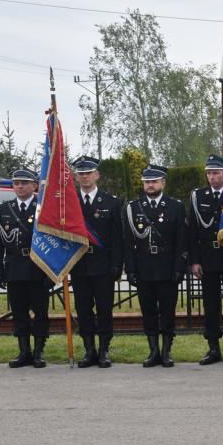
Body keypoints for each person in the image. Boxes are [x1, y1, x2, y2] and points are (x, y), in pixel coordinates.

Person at [123, 164, 188, 367]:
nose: (150, 185)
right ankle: (153, 351)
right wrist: (131, 269)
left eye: (154, 181)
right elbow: (128, 242)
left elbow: (182, 240)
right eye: (147, 182)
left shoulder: (176, 207)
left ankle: (167, 352)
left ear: (163, 183)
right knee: (148, 312)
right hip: (143, 268)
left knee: (167, 312)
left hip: (167, 267)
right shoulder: (133, 207)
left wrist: (180, 268)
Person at [0, 168, 51, 368]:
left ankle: (38, 352)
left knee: (40, 311)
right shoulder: (4, 209)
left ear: (34, 186)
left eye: (24, 183)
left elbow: (51, 241)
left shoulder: (42, 208)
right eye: (16, 183)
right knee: (19, 312)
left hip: (38, 266)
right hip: (15, 266)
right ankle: (24, 351)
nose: (20, 186)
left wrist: (51, 270)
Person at [189, 154, 223, 366]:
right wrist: (195, 260)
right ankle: (213, 347)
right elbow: (193, 231)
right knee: (210, 305)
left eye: (216, 173)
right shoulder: (197, 196)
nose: (212, 177)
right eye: (209, 173)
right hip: (208, 258)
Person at [71, 155, 123, 368]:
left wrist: (117, 265)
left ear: (97, 175)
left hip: (103, 264)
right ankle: (89, 349)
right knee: (83, 309)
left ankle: (103, 350)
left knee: (104, 309)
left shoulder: (112, 202)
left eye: (88, 173)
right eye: (81, 173)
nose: (84, 177)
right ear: (76, 177)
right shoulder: (69, 203)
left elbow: (118, 237)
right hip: (78, 263)